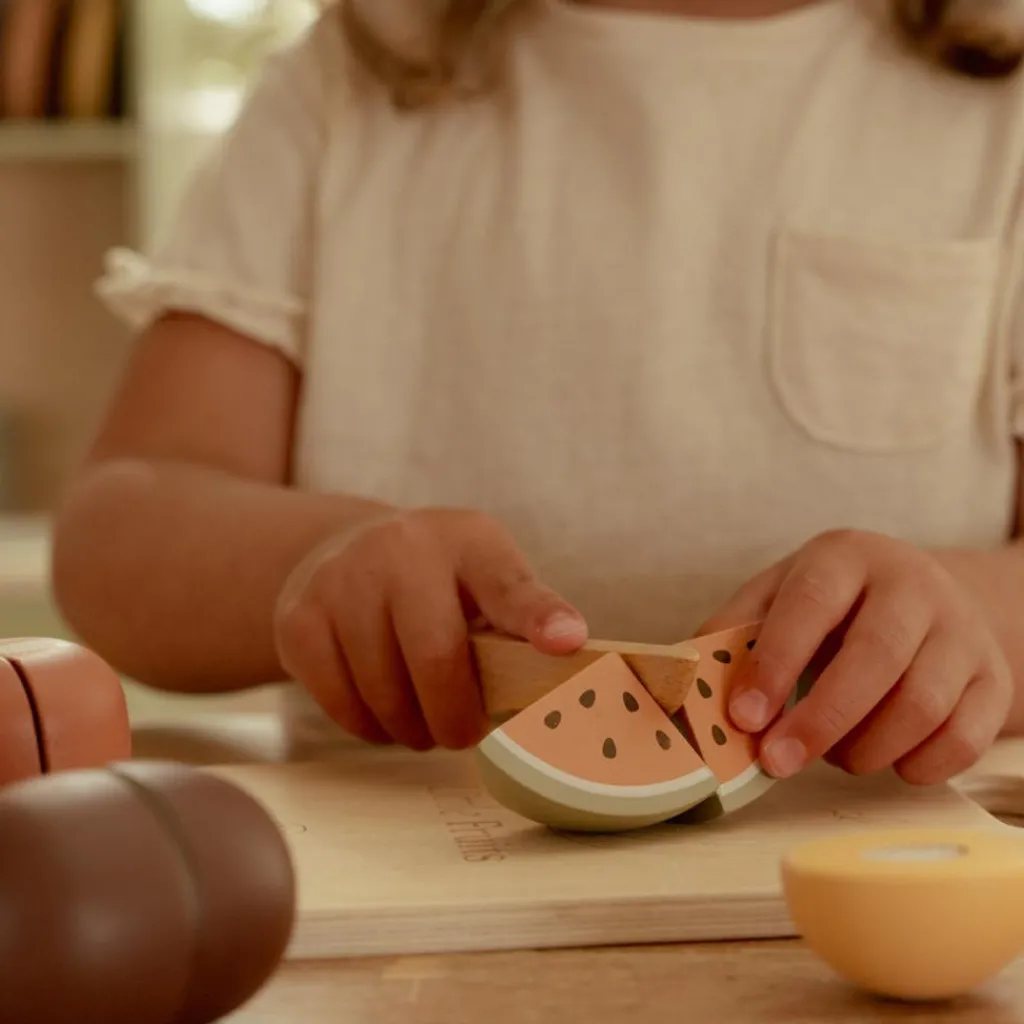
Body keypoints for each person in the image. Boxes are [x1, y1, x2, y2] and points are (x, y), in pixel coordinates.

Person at [50, 0, 1024, 787]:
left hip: (875, 851)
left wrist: (973, 613)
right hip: (404, 878)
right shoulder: (344, 77)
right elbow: (120, 528)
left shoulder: (1004, 101)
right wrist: (309, 562)